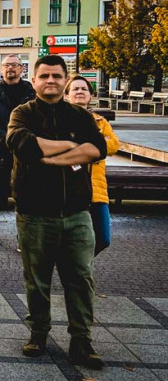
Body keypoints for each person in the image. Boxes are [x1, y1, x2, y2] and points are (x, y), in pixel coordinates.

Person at [7, 56, 108, 369]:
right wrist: (68, 144)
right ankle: (38, 333)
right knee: (37, 280)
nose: (50, 81)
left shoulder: (79, 114)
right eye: (44, 76)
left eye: (56, 76)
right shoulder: (22, 112)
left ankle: (82, 339)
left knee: (80, 277)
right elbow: (20, 144)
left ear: (65, 80)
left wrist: (52, 157)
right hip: (35, 213)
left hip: (78, 212)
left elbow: (98, 149)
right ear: (34, 80)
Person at [0, 54, 36, 246]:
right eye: (6, 65)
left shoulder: (31, 93)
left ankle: (24, 236)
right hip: (2, 151)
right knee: (0, 191)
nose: (10, 68)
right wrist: (9, 140)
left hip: (27, 151)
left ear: (22, 69)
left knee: (28, 194)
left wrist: (25, 141)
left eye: (14, 65)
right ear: (1, 69)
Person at [66, 75, 119, 256]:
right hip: (69, 189)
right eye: (75, 89)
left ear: (90, 96)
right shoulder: (60, 120)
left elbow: (113, 145)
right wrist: (95, 144)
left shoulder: (100, 121)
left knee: (103, 239)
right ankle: (75, 269)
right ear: (67, 95)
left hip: (96, 190)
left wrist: (83, 146)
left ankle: (78, 264)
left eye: (84, 89)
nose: (80, 92)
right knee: (69, 237)